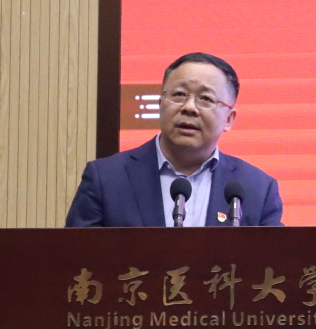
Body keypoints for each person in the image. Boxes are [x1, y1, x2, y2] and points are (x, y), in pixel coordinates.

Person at [65, 52, 283, 227]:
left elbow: (274, 263)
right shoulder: (106, 178)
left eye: (205, 98)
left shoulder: (258, 189)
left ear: (229, 119)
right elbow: (77, 259)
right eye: (179, 95)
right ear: (161, 104)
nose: (189, 107)